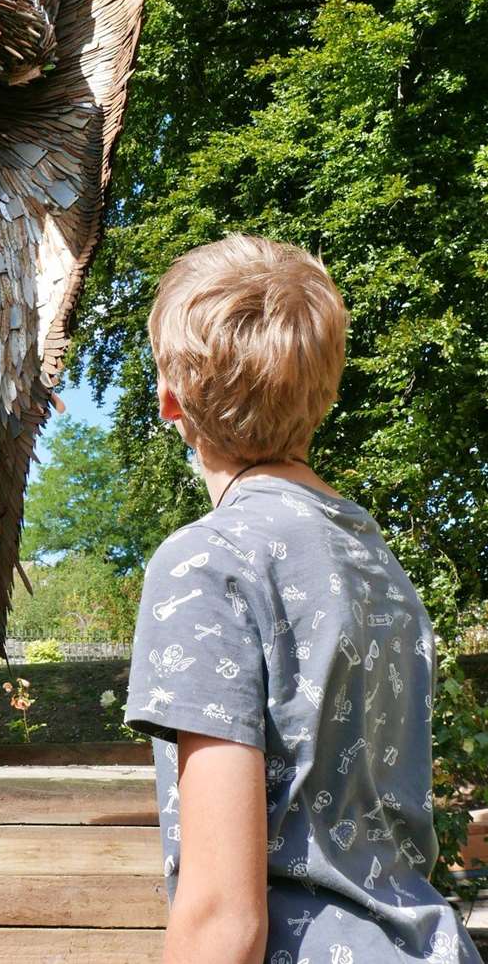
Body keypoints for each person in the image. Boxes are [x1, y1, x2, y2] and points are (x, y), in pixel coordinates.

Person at [123, 234, 478, 964]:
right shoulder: (374, 558)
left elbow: (225, 916)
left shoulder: (206, 564)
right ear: (324, 392)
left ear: (170, 402)